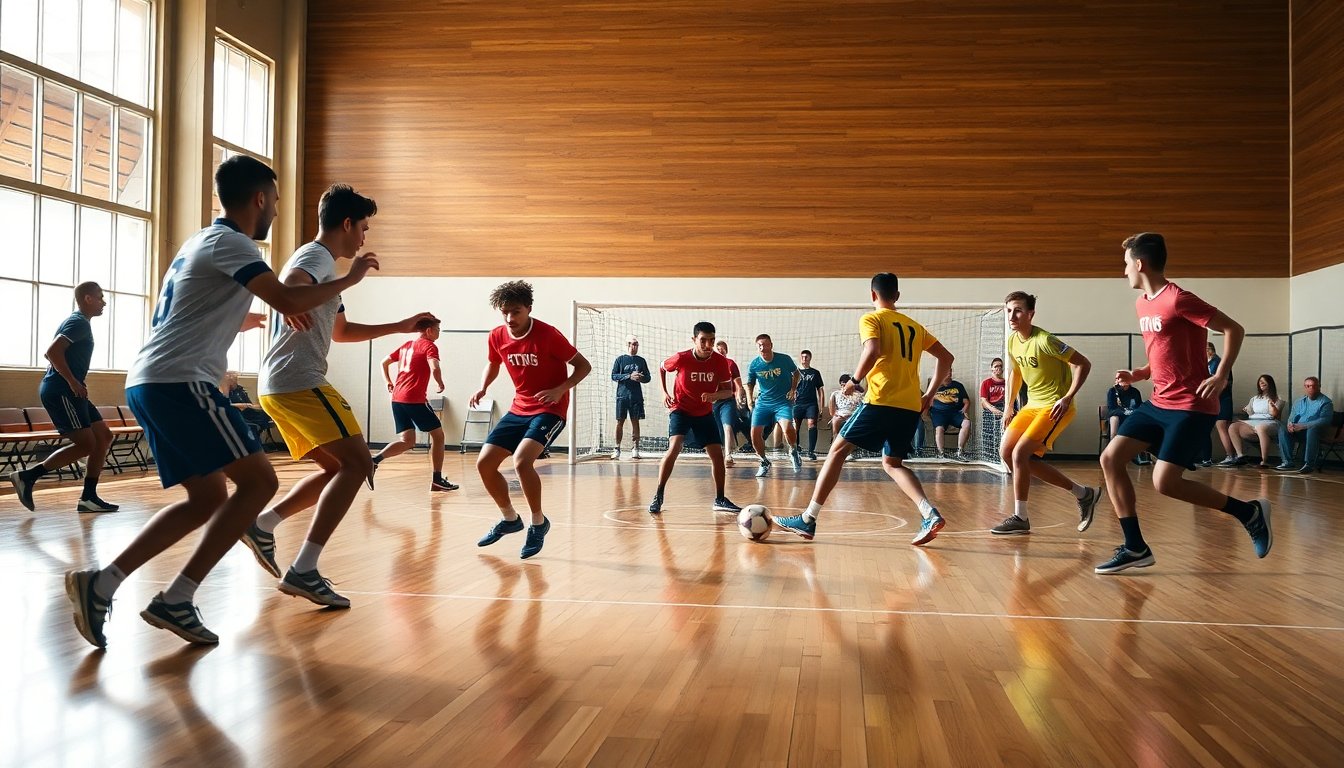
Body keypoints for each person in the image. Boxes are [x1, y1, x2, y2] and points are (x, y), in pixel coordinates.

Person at [64, 156, 377, 648]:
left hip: (150, 380)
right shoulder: (233, 242)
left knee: (208, 497)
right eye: (274, 199)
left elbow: (197, 307)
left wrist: (241, 318)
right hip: (182, 382)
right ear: (259, 199)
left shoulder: (200, 243)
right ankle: (178, 598)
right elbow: (292, 300)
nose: (276, 208)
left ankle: (101, 584)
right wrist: (350, 280)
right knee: (259, 480)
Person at [245, 183, 438, 609]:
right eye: (364, 228)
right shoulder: (315, 258)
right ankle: (304, 570)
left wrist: (400, 327)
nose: (365, 238)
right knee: (358, 464)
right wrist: (350, 279)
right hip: (298, 379)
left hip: (282, 384)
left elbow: (343, 332)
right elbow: (291, 287)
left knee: (339, 469)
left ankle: (264, 523)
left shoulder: (327, 274)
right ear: (346, 224)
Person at [1097, 232, 1270, 574]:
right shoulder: (1142, 303)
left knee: (1165, 483)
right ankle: (1135, 547)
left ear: (1140, 263)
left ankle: (1249, 513)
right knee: (1110, 458)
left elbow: (1234, 329)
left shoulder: (1178, 299)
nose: (1124, 271)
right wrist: (1141, 373)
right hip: (1158, 401)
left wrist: (1221, 375)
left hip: (1191, 405)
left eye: (1126, 264)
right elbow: (1163, 350)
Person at [773, 272, 954, 546]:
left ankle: (809, 519)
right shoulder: (915, 327)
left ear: (872, 295)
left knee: (836, 451)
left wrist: (854, 382)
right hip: (909, 406)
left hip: (881, 401)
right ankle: (929, 513)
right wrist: (928, 394)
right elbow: (946, 357)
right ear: (897, 296)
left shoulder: (871, 318)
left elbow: (872, 350)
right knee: (892, 463)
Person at [470, 281, 591, 559]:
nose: (510, 319)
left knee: (522, 461)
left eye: (516, 312)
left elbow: (583, 365)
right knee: (485, 463)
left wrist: (561, 388)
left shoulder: (549, 335)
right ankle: (510, 519)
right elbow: (493, 362)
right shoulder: (497, 335)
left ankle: (538, 522)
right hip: (519, 407)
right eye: (505, 313)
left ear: (529, 309)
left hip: (550, 409)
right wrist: (483, 387)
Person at [993, 292, 1100, 535]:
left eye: (1018, 310)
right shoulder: (1012, 341)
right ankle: (1083, 494)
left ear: (1031, 314)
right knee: (1007, 453)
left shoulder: (1046, 340)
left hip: (1054, 406)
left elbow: (1083, 363)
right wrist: (1009, 405)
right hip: (1031, 405)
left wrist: (1068, 396)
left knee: (1021, 454)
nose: (1012, 315)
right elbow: (1017, 372)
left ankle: (1021, 517)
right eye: (1009, 310)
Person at [9, 282, 118, 513]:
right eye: (100, 297)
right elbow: (52, 352)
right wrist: (72, 381)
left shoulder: (80, 323)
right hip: (61, 390)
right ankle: (27, 476)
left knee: (103, 436)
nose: (104, 302)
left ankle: (88, 497)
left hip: (71, 390)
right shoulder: (78, 322)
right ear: (87, 299)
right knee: (87, 443)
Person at [647, 322, 742, 516]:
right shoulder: (681, 358)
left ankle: (720, 499)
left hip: (704, 413)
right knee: (674, 447)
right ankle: (658, 494)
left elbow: (728, 391)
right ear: (694, 340)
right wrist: (664, 392)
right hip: (680, 409)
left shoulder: (720, 362)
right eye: (704, 340)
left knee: (717, 455)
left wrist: (715, 396)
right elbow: (662, 367)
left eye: (712, 340)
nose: (708, 345)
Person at [371, 317, 457, 491]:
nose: (439, 332)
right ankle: (437, 479)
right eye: (438, 328)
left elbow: (383, 362)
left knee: (407, 441)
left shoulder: (406, 346)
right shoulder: (429, 346)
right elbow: (434, 367)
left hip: (397, 398)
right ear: (429, 331)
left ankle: (373, 461)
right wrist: (439, 382)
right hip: (414, 399)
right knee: (438, 436)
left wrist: (388, 381)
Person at [746, 334, 800, 476]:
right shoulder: (754, 364)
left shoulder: (784, 359)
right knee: (755, 434)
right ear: (757, 347)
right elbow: (749, 383)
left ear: (771, 344)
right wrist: (749, 399)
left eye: (765, 344)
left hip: (783, 402)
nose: (763, 347)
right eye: (760, 345)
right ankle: (764, 461)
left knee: (787, 428)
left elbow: (797, 374)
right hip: (763, 403)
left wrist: (793, 389)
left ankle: (793, 450)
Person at [1275, 376, 1334, 474]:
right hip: (1298, 430)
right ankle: (1287, 462)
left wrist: (1304, 426)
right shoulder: (1299, 401)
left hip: (1316, 432)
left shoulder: (1326, 402)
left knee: (1312, 429)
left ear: (1319, 387)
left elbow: (1325, 420)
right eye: (1308, 386)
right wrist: (1290, 424)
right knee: (1282, 427)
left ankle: (1309, 464)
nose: (1310, 388)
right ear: (1305, 387)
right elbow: (1292, 416)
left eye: (1313, 386)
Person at [1224, 374, 1282, 468]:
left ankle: (1264, 460)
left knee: (1260, 427)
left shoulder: (1277, 398)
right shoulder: (1255, 398)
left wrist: (1272, 405)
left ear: (1270, 383)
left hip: (1269, 421)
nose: (1262, 383)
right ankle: (1240, 456)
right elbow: (1249, 412)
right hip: (1253, 421)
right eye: (1260, 381)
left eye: (1264, 381)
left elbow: (1276, 415)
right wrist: (1243, 410)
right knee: (1233, 426)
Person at [1196, 341, 1236, 467]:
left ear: (1209, 350)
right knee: (1205, 428)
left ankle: (1231, 456)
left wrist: (1213, 395)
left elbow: (1222, 382)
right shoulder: (1206, 363)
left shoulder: (1217, 362)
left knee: (1222, 427)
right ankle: (1206, 458)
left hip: (1222, 399)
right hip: (1210, 400)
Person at [610, 336, 650, 460]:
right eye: (633, 344)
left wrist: (640, 378)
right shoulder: (620, 360)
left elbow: (648, 378)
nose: (635, 347)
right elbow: (614, 376)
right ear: (627, 345)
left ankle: (636, 448)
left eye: (637, 344)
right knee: (619, 422)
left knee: (635, 421)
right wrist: (629, 376)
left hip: (636, 396)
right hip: (622, 396)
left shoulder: (641, 361)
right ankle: (617, 448)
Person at [713, 340, 747, 466]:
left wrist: (739, 394)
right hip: (713, 401)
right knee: (717, 430)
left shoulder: (731, 364)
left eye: (723, 348)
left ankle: (728, 455)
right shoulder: (709, 364)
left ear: (726, 351)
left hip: (728, 400)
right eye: (718, 348)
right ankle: (722, 452)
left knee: (727, 426)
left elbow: (738, 384)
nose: (720, 350)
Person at [927, 370, 971, 459]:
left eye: (950, 371)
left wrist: (964, 411)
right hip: (939, 413)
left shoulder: (958, 385)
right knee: (939, 429)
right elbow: (927, 400)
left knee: (967, 423)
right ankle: (941, 453)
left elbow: (966, 402)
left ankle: (960, 451)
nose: (949, 373)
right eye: (947, 371)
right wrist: (927, 413)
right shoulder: (934, 385)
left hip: (955, 412)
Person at [1105, 379, 1150, 465]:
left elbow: (1139, 405)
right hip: (1118, 416)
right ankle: (1112, 454)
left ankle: (1140, 455)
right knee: (1114, 419)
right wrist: (1125, 412)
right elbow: (1112, 409)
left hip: (1132, 416)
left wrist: (1134, 412)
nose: (1124, 383)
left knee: (1142, 420)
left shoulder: (1135, 392)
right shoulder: (1112, 391)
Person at [222, 370, 274, 444]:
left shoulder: (240, 390)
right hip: (238, 414)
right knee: (253, 423)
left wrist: (257, 406)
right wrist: (244, 405)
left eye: (235, 379)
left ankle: (256, 444)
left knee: (264, 412)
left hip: (248, 411)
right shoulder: (224, 391)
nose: (234, 381)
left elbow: (250, 404)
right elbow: (225, 404)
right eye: (231, 380)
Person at [793, 350, 827, 460]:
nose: (804, 358)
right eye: (802, 357)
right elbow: (790, 388)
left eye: (806, 357)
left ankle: (811, 451)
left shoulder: (815, 373)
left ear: (810, 358)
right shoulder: (795, 372)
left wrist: (821, 408)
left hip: (811, 404)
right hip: (797, 404)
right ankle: (795, 448)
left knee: (812, 424)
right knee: (795, 427)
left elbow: (820, 391)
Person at [978, 358, 1006, 457]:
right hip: (990, 409)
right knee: (988, 433)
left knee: (1003, 434)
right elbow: (984, 401)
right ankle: (989, 455)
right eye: (996, 366)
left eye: (1000, 366)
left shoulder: (1007, 383)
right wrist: (993, 410)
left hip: (1004, 408)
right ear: (991, 369)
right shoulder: (986, 383)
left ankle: (1002, 455)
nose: (998, 368)